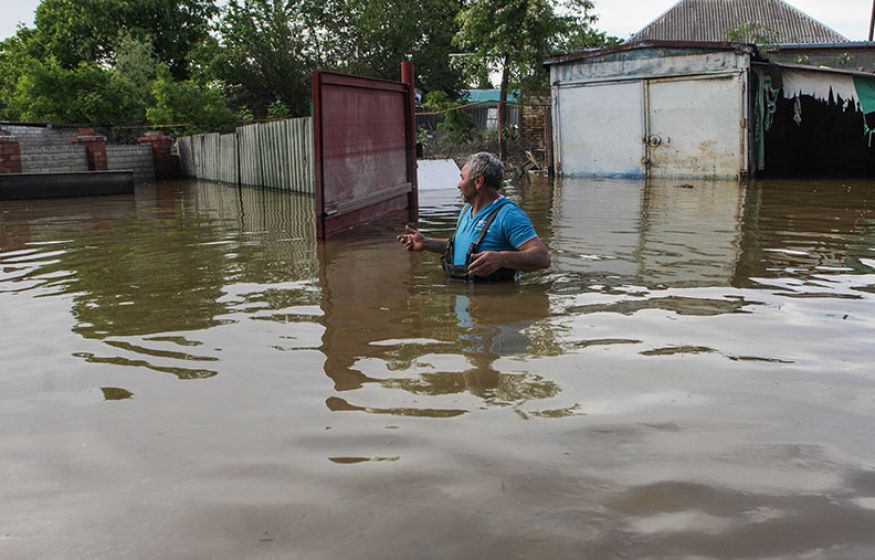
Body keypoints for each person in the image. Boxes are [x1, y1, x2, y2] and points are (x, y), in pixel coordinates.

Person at [397, 152, 550, 281]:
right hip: (466, 302)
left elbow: (543, 258)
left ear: (478, 181)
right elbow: (461, 247)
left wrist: (501, 258)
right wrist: (426, 243)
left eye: (462, 178)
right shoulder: (466, 210)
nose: (458, 184)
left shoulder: (509, 215)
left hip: (491, 308)